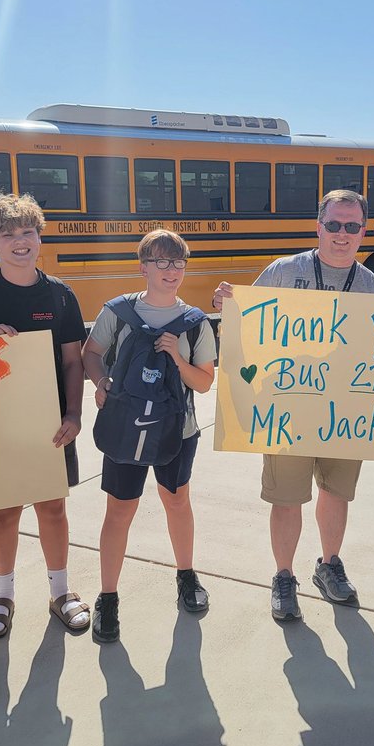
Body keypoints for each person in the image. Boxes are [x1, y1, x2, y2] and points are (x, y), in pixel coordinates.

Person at [213, 189, 374, 621]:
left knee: (335, 493)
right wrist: (227, 306)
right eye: (334, 224)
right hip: (286, 408)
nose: (342, 234)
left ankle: (329, 565)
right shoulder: (283, 270)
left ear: (363, 231)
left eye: (352, 226)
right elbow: (245, 327)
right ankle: (284, 576)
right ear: (319, 226)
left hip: (345, 413)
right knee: (287, 497)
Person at [0, 193, 90, 636]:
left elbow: (72, 361)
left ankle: (61, 592)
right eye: (7, 234)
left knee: (52, 508)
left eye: (27, 232)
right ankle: (2, 596)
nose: (20, 241)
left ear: (39, 236)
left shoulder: (59, 294)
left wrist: (73, 413)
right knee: (4, 513)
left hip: (50, 422)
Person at [82, 229, 217, 643]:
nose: (171, 270)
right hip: (126, 424)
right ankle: (108, 596)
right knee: (119, 510)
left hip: (177, 429)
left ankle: (186, 574)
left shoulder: (195, 324)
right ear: (143, 267)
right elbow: (91, 352)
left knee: (177, 501)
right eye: (161, 261)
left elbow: (204, 382)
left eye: (178, 262)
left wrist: (176, 356)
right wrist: (99, 380)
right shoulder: (118, 313)